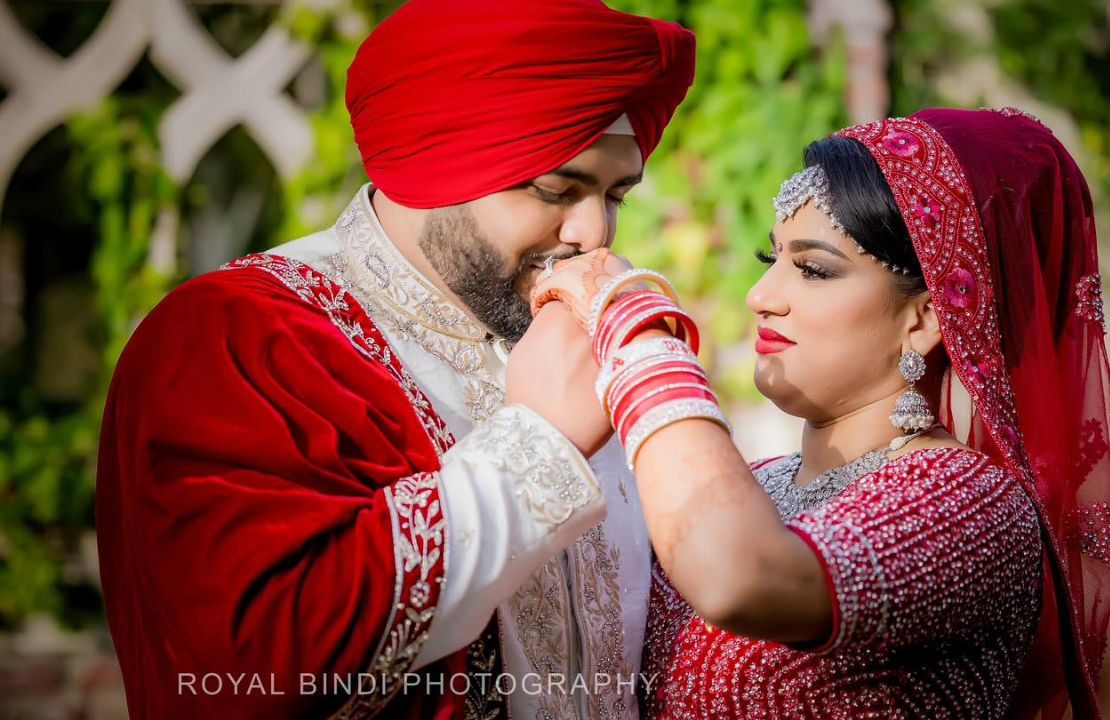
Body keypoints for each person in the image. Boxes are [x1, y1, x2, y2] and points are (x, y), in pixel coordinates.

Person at [94, 2, 694, 718]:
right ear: (435, 168)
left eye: (616, 194)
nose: (594, 233)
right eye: (556, 190)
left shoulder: (572, 337)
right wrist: (541, 447)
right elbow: (255, 662)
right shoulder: (236, 335)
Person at [518, 107, 1110, 719]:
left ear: (925, 318)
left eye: (813, 270)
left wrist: (636, 329)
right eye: (772, 261)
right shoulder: (757, 481)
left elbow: (741, 580)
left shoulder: (971, 503)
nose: (761, 297)